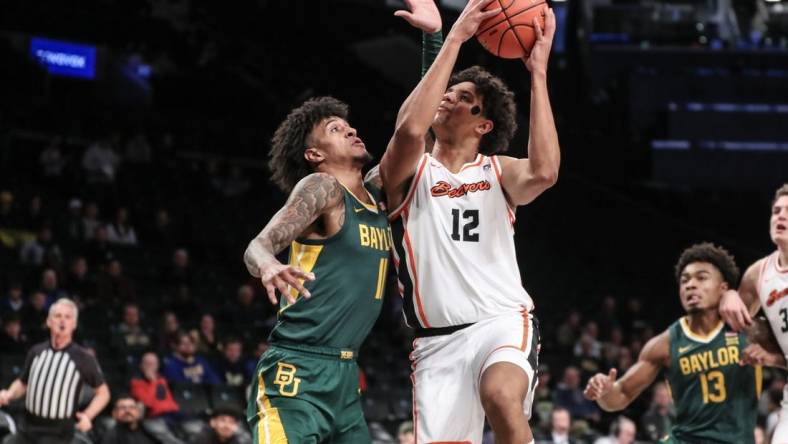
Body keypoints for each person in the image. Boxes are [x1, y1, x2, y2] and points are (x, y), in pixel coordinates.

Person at [241, 3, 442, 442]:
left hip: (346, 377)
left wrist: (433, 41)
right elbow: (256, 246)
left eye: (348, 125)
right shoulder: (322, 189)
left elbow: (420, 129)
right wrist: (270, 266)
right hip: (295, 374)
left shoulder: (375, 192)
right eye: (335, 129)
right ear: (315, 154)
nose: (350, 130)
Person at [379, 0, 560, 441]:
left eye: (465, 99)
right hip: (436, 343)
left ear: (483, 126)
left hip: (501, 320)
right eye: (450, 91)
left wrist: (538, 72)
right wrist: (453, 37)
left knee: (501, 396)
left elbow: (545, 172)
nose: (449, 98)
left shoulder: (497, 172)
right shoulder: (410, 171)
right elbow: (408, 130)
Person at [584, 243, 760, 444]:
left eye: (701, 278)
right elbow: (621, 394)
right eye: (685, 280)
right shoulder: (665, 344)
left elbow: (763, 271)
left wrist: (733, 294)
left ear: (722, 287)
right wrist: (604, 393)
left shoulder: (748, 329)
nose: (690, 284)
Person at [0, 298, 110, 443]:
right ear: (49, 321)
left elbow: (103, 393)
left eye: (67, 317)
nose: (62, 321)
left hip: (58, 434)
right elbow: (22, 383)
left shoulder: (83, 358)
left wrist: (88, 415)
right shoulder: (36, 351)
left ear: (74, 324)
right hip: (28, 428)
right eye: (58, 316)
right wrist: (9, 393)